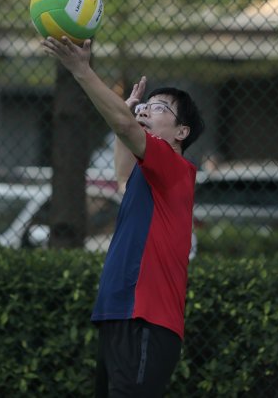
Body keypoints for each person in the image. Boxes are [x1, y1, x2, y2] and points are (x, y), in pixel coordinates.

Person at [41, 35, 205, 397]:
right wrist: (127, 116)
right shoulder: (147, 177)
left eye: (159, 107)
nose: (146, 109)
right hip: (119, 315)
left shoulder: (175, 168)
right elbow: (123, 174)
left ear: (181, 132)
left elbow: (125, 127)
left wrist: (81, 70)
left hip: (147, 319)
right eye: (147, 104)